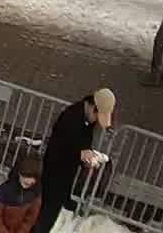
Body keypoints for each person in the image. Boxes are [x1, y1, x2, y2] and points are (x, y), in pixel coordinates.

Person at [34, 88, 113, 233]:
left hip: (65, 173)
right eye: (97, 115)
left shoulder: (85, 119)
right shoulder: (71, 118)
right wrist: (79, 153)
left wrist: (85, 156)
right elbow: (60, 147)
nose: (97, 120)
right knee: (47, 213)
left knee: (50, 210)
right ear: (91, 107)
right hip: (55, 172)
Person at [0, 155, 44, 233]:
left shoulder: (36, 194)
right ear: (19, 173)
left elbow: (29, 221)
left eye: (32, 177)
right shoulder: (5, 189)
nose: (28, 181)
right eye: (25, 176)